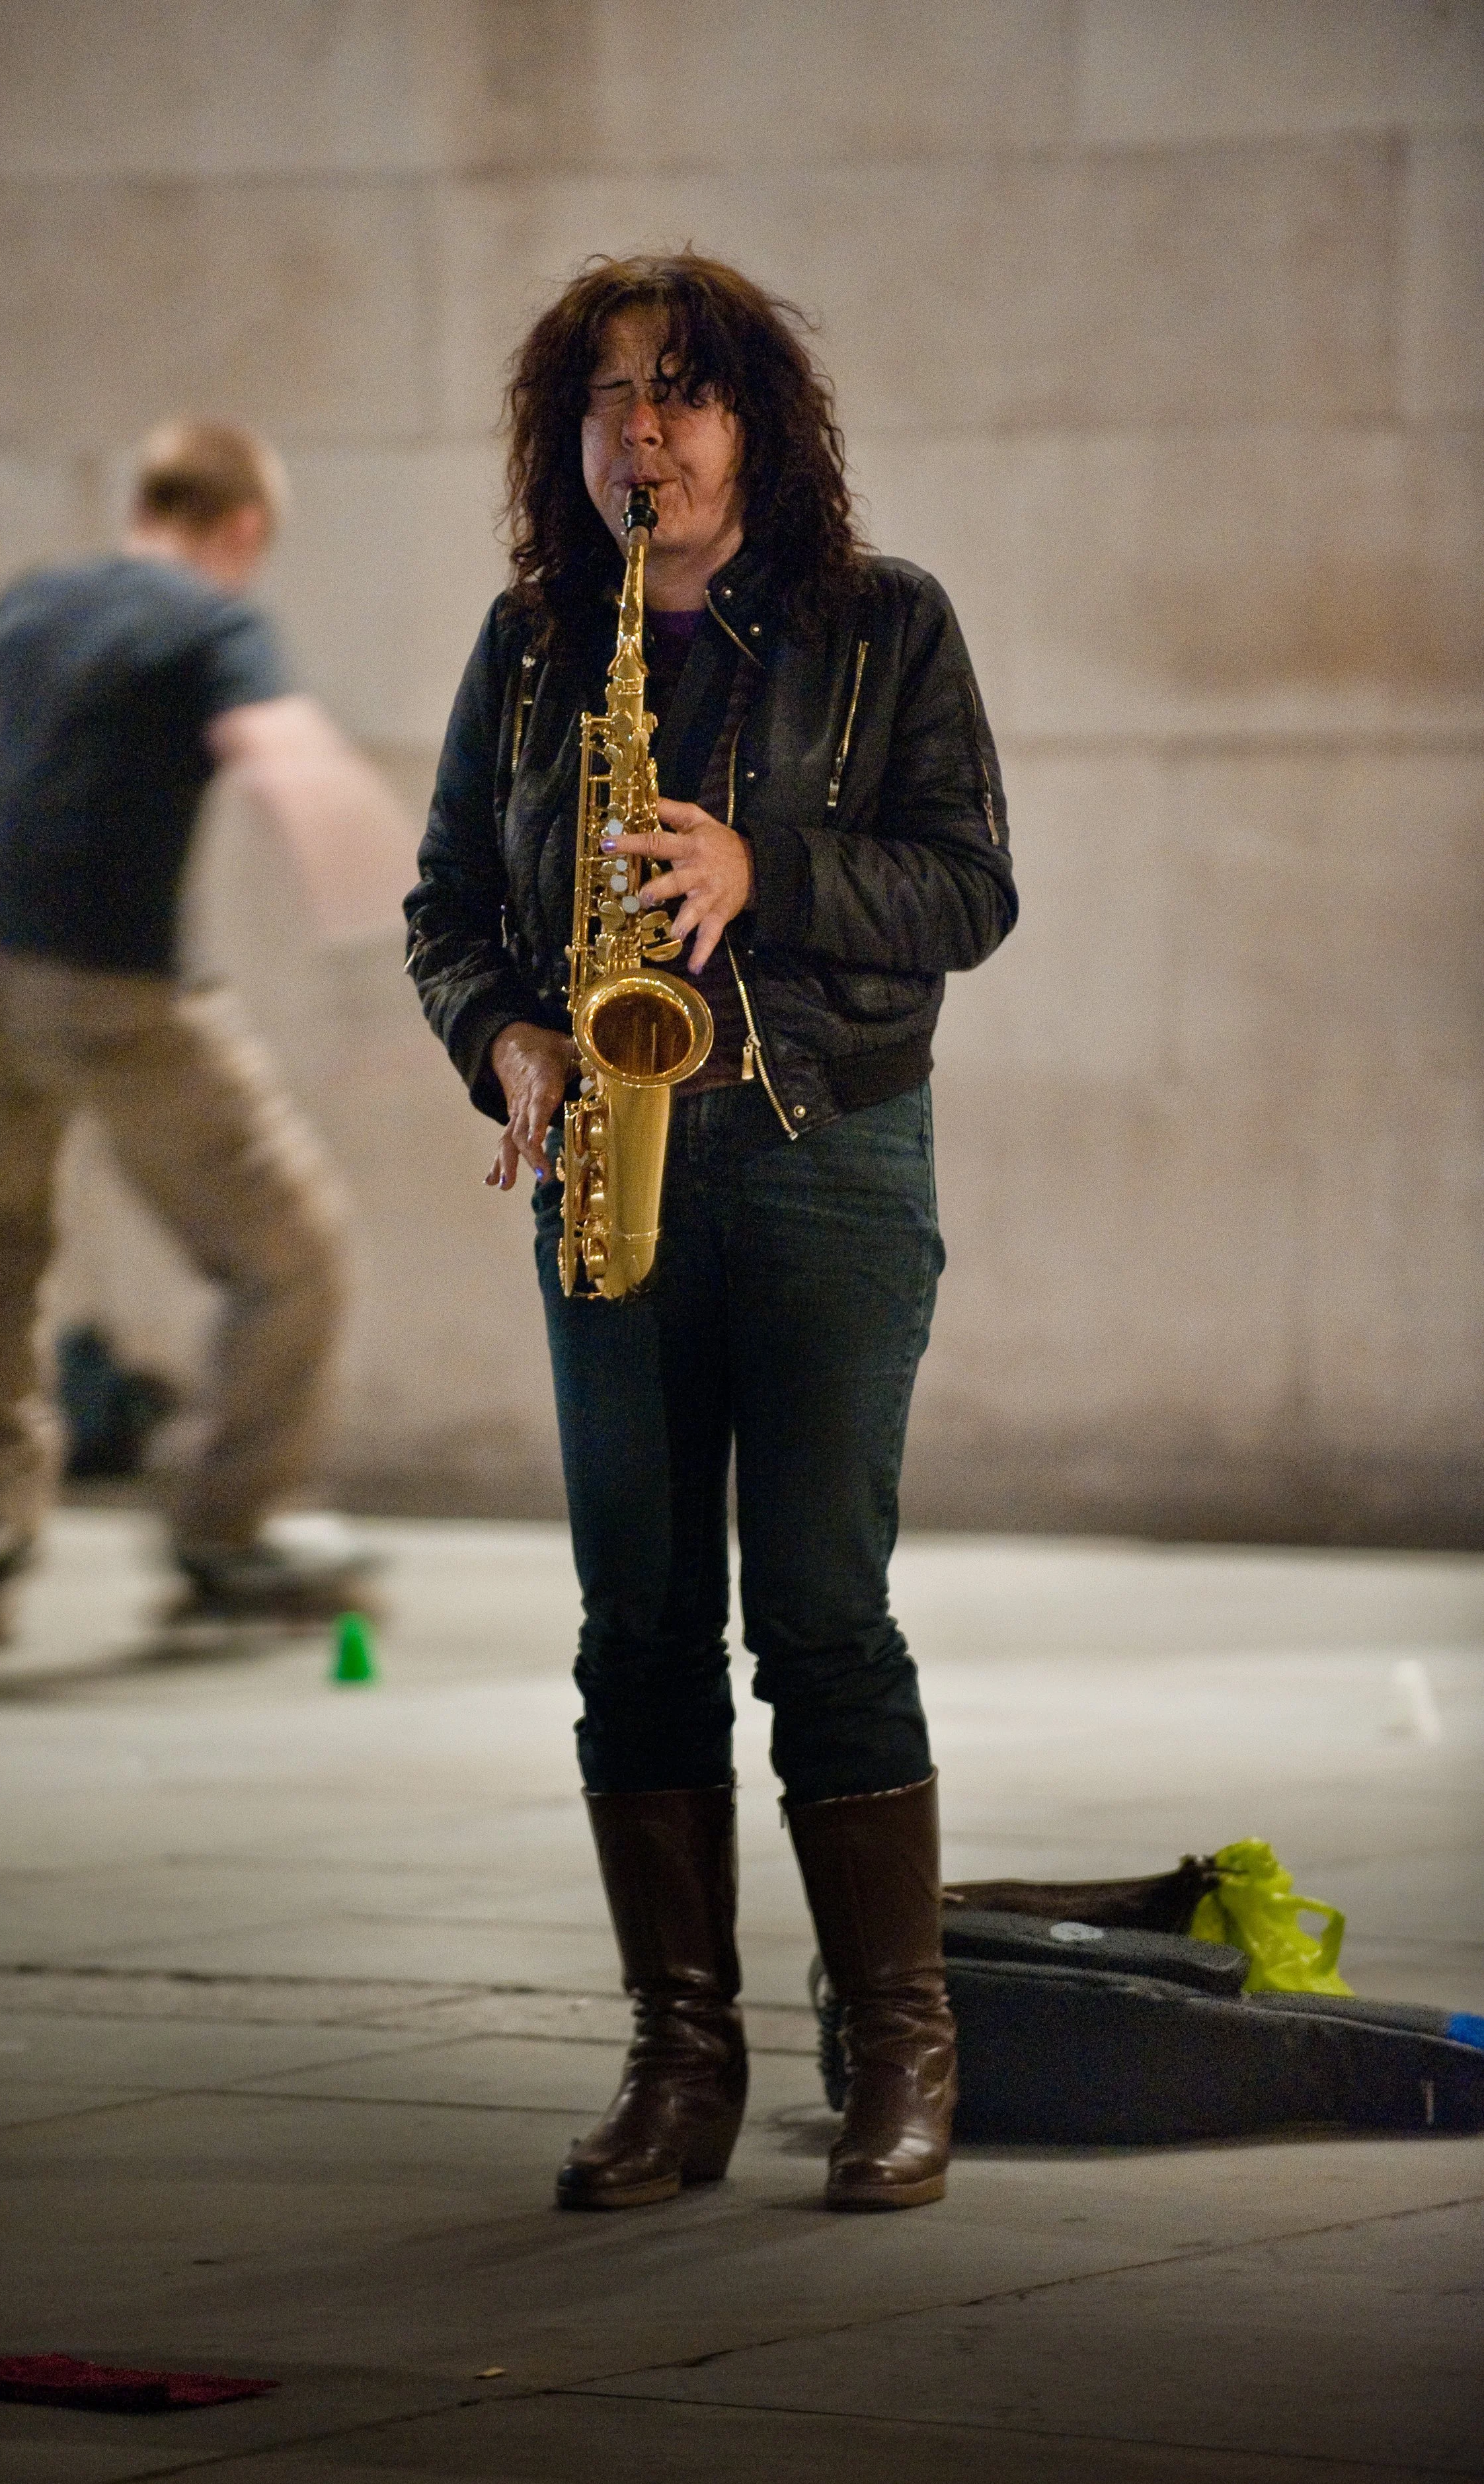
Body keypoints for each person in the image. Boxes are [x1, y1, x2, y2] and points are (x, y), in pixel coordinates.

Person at [407, 255, 1017, 2212]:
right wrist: (503, 1038)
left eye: (678, 393)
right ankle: (681, 2054)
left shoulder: (883, 625)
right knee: (636, 1628)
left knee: (825, 1617)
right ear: (563, 434)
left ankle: (894, 2047)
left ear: (754, 418)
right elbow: (445, 906)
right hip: (609, 1161)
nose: (639, 432)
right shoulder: (528, 649)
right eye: (605, 399)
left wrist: (764, 870)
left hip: (825, 1150)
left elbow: (969, 887)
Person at [0, 418, 381, 1644]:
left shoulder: (32, 602)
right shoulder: (214, 617)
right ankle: (225, 1523)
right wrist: (373, 877)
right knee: (292, 1251)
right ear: (241, 530)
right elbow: (278, 753)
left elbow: (10, 710)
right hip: (113, 986)